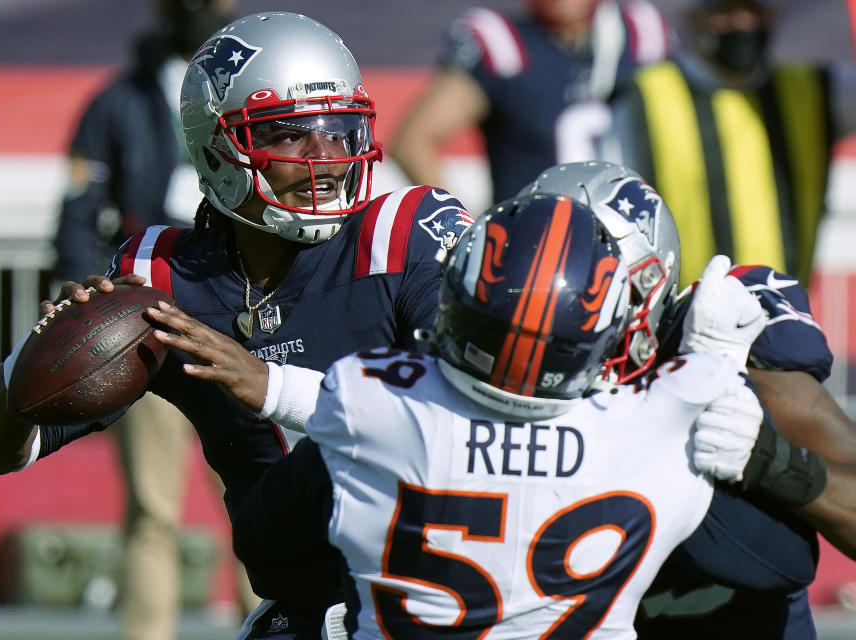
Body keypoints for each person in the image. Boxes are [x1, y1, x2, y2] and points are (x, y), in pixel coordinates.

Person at [0, 11, 475, 639]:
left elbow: (459, 420)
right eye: (288, 134)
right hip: (300, 617)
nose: (327, 159)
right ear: (216, 151)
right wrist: (39, 358)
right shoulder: (165, 278)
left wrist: (272, 386)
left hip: (437, 608)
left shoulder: (407, 235)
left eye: (339, 131)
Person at [227, 192, 830, 637]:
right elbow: (784, 562)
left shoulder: (375, 400)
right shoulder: (656, 422)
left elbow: (266, 545)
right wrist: (716, 370)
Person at [525, 160, 856, 639]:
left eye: (584, 287)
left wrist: (774, 463)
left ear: (643, 284)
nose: (553, 310)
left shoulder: (738, 354)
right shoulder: (494, 368)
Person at [51, 1, 250, 638]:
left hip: (239, 314)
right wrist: (97, 303)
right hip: (147, 322)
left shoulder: (252, 91)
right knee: (150, 509)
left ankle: (280, 625)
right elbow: (76, 222)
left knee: (260, 496)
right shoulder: (118, 101)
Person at [605, 0, 855, 287]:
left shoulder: (813, 88)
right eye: (726, 11)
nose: (742, 23)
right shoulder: (643, 97)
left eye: (753, 10)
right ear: (695, 18)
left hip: (786, 318)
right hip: (686, 322)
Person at [389, 0, 669, 206]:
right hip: (534, 253)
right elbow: (414, 140)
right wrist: (461, 229)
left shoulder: (641, 34)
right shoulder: (504, 44)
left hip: (636, 243)